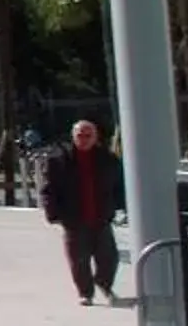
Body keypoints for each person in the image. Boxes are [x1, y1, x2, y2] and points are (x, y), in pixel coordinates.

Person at [41, 118, 127, 307]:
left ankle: (103, 283)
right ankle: (85, 293)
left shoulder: (108, 159)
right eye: (80, 135)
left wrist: (121, 206)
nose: (84, 139)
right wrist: (52, 212)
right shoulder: (59, 160)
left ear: (95, 137)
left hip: (101, 216)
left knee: (109, 257)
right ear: (74, 137)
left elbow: (118, 186)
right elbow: (48, 188)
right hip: (73, 217)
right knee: (79, 259)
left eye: (88, 135)